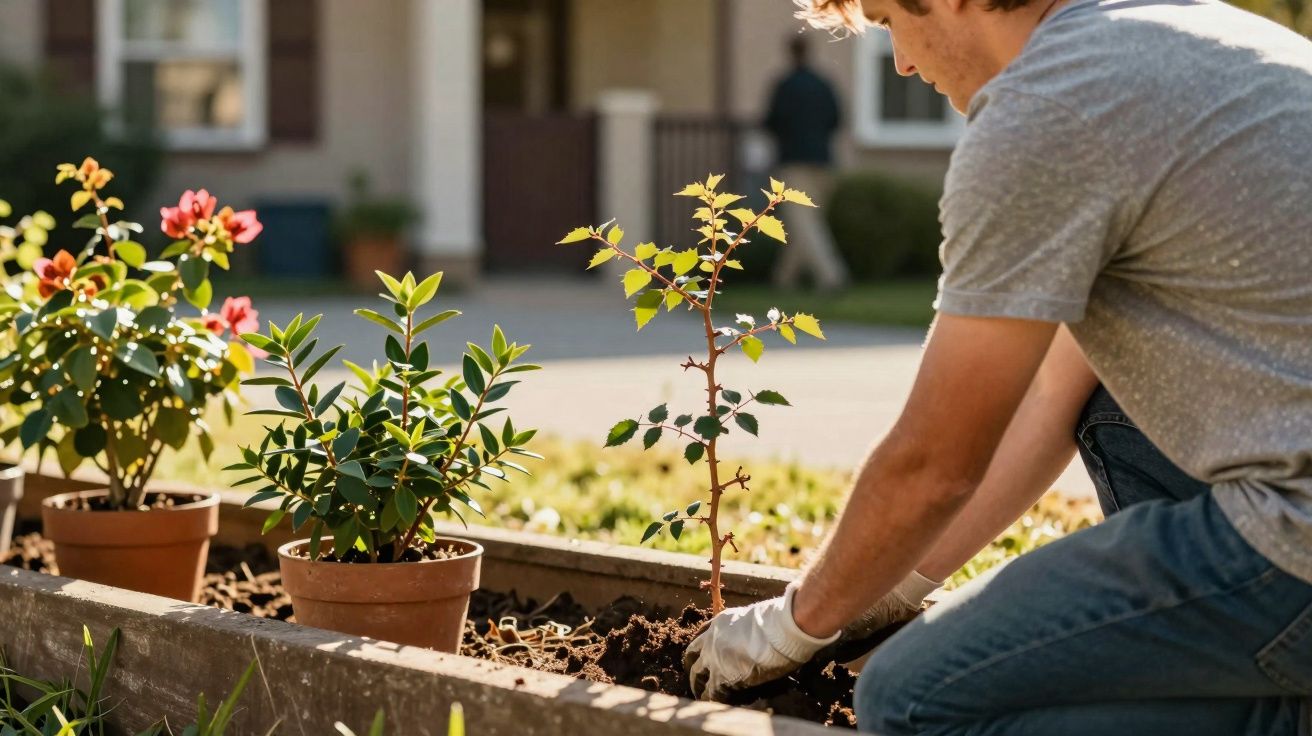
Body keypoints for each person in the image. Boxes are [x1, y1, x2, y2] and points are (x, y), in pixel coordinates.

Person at [682, 0, 1312, 732]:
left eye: (889, 22)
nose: (904, 64)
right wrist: (897, 585)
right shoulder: (1168, 29)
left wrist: (792, 627)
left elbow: (934, 464)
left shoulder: (1046, 112)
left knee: (909, 698)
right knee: (1105, 397)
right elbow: (1057, 391)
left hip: (1295, 538)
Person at [764, 35, 851, 291]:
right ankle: (783, 279)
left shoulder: (784, 85)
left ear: (790, 52)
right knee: (805, 223)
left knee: (805, 223)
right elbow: (837, 119)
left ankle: (832, 277)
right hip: (825, 161)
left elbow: (771, 121)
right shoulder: (824, 84)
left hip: (794, 163)